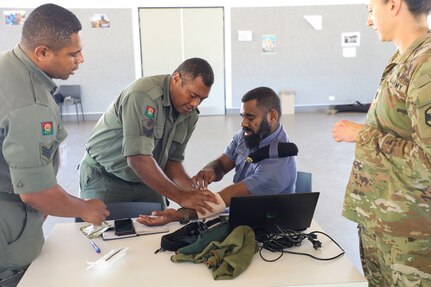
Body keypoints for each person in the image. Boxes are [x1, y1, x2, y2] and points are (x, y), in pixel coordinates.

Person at [0, 4, 109, 286]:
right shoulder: (29, 104)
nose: (81, 59)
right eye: (73, 54)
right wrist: (84, 208)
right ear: (43, 52)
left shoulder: (8, 68)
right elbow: (35, 193)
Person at [332, 0, 431, 286]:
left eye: (370, 10)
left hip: (412, 239)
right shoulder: (403, 58)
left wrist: (360, 135)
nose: (368, 20)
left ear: (394, 4)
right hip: (385, 226)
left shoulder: (426, 66)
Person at [138, 86, 297, 226]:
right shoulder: (248, 135)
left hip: (267, 228)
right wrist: (210, 170)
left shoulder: (276, 167)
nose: (243, 124)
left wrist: (179, 215)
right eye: (242, 116)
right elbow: (222, 164)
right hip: (242, 212)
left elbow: (223, 199)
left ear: (272, 116)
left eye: (250, 117)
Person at [79, 57, 218, 214]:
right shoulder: (143, 95)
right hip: (106, 177)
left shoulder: (189, 115)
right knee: (102, 234)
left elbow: (172, 163)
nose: (195, 104)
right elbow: (138, 158)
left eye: (201, 99)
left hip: (148, 179)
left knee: (157, 232)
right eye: (192, 95)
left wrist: (194, 194)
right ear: (176, 79)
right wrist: (181, 196)